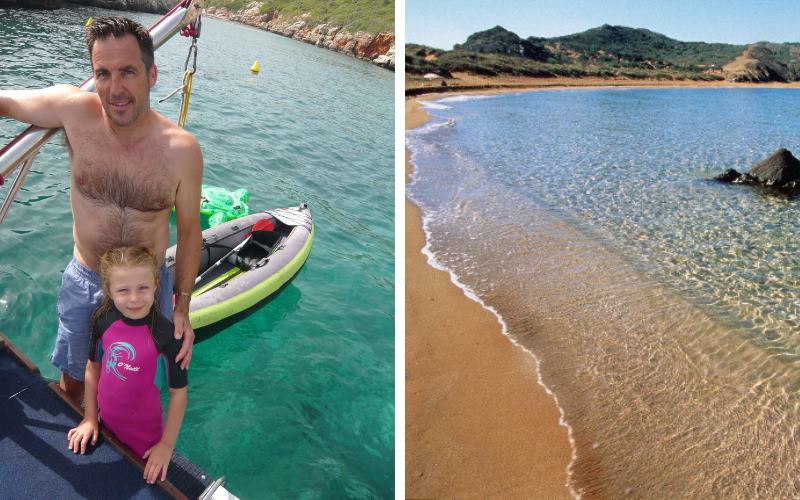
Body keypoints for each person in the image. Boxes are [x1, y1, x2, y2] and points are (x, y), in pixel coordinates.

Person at [0, 16, 203, 403]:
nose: (115, 88)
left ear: (152, 74)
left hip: (148, 290)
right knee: (74, 382)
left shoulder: (182, 151)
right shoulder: (74, 113)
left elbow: (191, 231)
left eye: (128, 71)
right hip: (86, 282)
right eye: (103, 74)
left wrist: (183, 305)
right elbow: (6, 102)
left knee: (136, 388)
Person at [68, 246, 188, 484]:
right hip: (105, 424)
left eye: (143, 288)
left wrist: (166, 445)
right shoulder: (103, 320)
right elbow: (93, 368)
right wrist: (91, 417)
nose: (134, 299)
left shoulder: (167, 335)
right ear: (109, 291)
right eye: (123, 290)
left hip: (145, 439)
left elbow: (178, 394)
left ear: (156, 284)